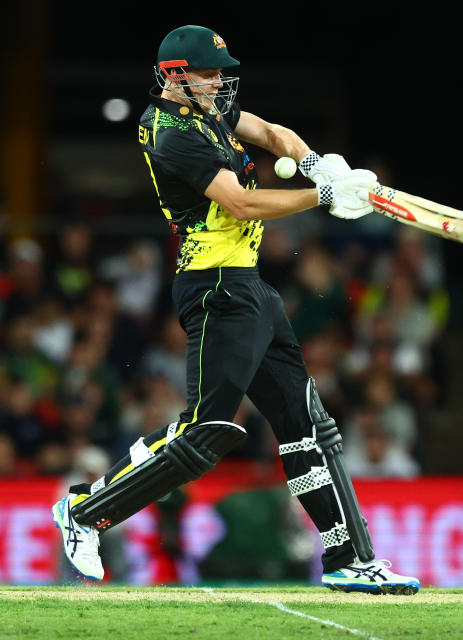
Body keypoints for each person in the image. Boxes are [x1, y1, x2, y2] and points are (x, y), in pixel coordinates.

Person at [51, 25, 419, 595]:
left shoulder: (210, 110)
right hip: (213, 286)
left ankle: (350, 559)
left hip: (248, 286)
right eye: (209, 73)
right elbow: (242, 203)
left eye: (223, 72)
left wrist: (320, 164)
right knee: (208, 433)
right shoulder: (172, 133)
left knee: (308, 428)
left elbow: (273, 132)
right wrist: (323, 198)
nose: (221, 82)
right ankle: (84, 510)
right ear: (175, 76)